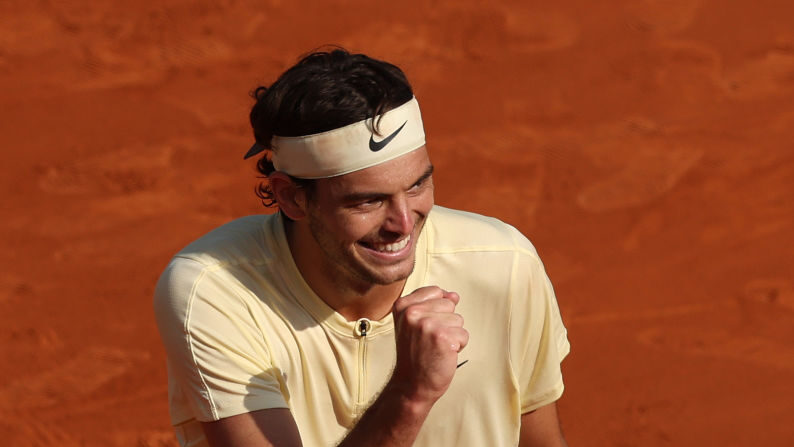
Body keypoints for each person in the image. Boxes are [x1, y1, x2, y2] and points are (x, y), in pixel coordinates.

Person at [154, 48, 570, 447]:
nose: (403, 224)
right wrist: (411, 392)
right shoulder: (217, 291)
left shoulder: (504, 265)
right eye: (368, 201)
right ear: (293, 197)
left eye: (417, 185)